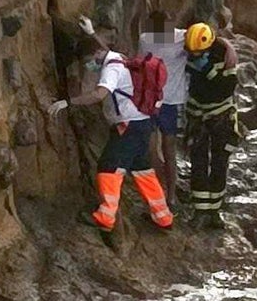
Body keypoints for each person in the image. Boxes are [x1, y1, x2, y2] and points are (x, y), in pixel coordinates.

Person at [48, 38, 174, 233]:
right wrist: (90, 33)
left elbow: (99, 94)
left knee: (108, 167)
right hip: (143, 123)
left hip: (128, 126)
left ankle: (105, 217)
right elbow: (102, 50)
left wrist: (68, 102)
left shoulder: (111, 69)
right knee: (142, 169)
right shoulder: (119, 58)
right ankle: (163, 217)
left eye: (88, 60)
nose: (88, 66)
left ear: (97, 53)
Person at [184, 22, 239, 229]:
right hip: (197, 116)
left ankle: (214, 211)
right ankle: (200, 211)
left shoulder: (224, 58)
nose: (194, 56)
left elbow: (225, 89)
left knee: (219, 162)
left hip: (220, 117)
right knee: (198, 162)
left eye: (198, 53)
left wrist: (208, 70)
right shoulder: (191, 47)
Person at [138, 11, 188, 213]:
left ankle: (171, 196)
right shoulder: (145, 39)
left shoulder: (183, 37)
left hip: (173, 101)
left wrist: (229, 48)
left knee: (169, 149)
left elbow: (210, 37)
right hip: (151, 100)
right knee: (151, 151)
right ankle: (158, 194)